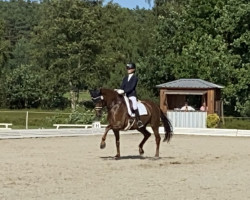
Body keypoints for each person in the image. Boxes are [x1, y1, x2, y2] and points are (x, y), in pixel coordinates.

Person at [115, 62, 144, 128]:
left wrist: (124, 91)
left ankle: (139, 121)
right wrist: (118, 90)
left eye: (129, 68)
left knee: (134, 106)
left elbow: (132, 87)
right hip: (124, 95)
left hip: (131, 95)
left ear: (133, 69)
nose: (128, 70)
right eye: (127, 69)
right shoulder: (125, 78)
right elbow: (122, 86)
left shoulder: (135, 78)